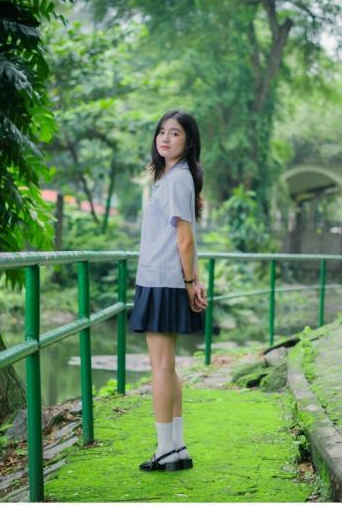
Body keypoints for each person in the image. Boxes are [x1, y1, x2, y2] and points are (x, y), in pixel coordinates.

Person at [129, 109, 208, 472]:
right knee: (169, 366)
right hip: (166, 278)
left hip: (161, 279)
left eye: (175, 133)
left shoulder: (177, 179)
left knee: (160, 367)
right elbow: (184, 239)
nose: (165, 138)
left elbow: (185, 239)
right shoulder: (174, 177)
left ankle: (164, 450)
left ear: (188, 142)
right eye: (162, 131)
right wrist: (192, 279)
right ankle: (176, 448)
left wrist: (191, 281)